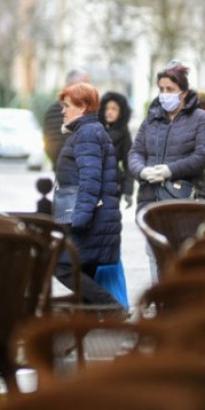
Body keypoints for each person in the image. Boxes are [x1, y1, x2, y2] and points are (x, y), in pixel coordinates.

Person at [128, 63, 205, 281]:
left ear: (183, 92)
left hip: (184, 200)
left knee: (182, 254)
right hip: (150, 198)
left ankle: (182, 305)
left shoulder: (201, 119)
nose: (164, 94)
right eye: (161, 89)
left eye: (170, 89)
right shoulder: (151, 121)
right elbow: (135, 153)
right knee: (154, 252)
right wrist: (142, 171)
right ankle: (160, 304)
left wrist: (170, 170)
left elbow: (203, 155)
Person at [52, 82, 123, 311]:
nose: (63, 111)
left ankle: (112, 308)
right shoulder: (87, 131)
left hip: (89, 221)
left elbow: (90, 180)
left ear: (82, 107)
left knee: (62, 266)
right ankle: (86, 332)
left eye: (67, 106)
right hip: (95, 218)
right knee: (83, 275)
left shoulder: (87, 134)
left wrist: (79, 221)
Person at [43, 68, 90, 173]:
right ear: (70, 86)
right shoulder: (55, 111)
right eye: (84, 85)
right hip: (66, 172)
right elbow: (52, 146)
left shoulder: (91, 109)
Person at [98, 91, 134, 209]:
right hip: (93, 184)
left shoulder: (124, 134)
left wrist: (128, 191)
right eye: (107, 108)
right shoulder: (96, 129)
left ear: (121, 112)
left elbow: (129, 163)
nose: (109, 112)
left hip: (113, 185)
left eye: (114, 109)